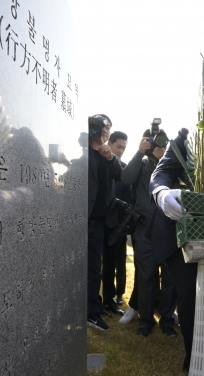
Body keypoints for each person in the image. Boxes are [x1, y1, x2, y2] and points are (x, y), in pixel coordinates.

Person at [149, 128, 198, 372]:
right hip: (183, 230)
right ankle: (195, 359)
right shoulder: (186, 137)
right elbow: (163, 172)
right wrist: (162, 194)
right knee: (191, 291)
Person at [120, 130, 178, 338]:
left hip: (169, 228)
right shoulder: (142, 164)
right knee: (146, 276)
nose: (160, 147)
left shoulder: (172, 165)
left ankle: (167, 319)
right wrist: (138, 153)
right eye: (155, 143)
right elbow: (125, 178)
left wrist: (171, 156)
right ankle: (145, 321)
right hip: (144, 228)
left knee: (170, 276)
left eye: (163, 143)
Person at [86, 114, 123, 332]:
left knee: (95, 268)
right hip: (82, 216)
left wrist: (110, 157)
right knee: (85, 267)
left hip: (100, 220)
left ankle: (93, 308)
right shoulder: (82, 149)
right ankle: (89, 310)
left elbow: (120, 175)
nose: (105, 131)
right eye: (101, 127)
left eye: (108, 128)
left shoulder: (108, 155)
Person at [101, 131, 131, 316]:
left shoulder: (125, 170)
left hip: (116, 224)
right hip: (97, 221)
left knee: (115, 263)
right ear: (109, 143)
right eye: (118, 147)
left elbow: (128, 196)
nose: (120, 151)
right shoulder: (97, 163)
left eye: (123, 148)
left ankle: (113, 297)